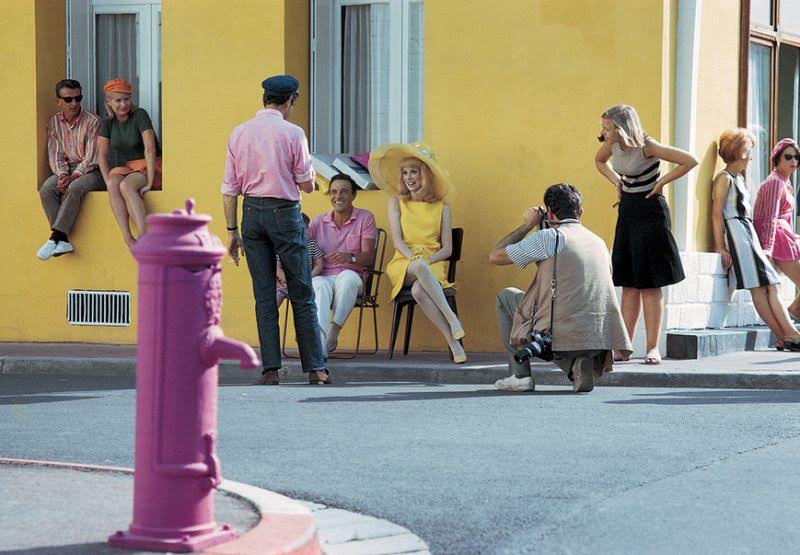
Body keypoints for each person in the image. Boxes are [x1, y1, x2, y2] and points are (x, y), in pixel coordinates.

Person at [222, 74, 329, 386]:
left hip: (251, 214)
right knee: (302, 291)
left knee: (264, 294)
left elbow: (229, 189)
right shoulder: (294, 133)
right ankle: (316, 369)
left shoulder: (239, 132)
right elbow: (306, 185)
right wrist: (309, 178)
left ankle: (270, 369)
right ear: (290, 101)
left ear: (264, 99)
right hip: (284, 213)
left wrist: (232, 230)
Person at [488, 183, 632, 392]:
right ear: (580, 212)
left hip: (560, 328)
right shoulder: (598, 242)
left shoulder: (550, 237)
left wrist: (528, 225)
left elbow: (495, 256)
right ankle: (575, 368)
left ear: (549, 213)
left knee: (506, 297)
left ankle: (520, 375)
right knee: (553, 316)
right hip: (596, 332)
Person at [595, 104, 697, 365]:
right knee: (629, 284)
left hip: (651, 210)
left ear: (621, 128)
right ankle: (624, 347)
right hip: (628, 211)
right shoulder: (612, 144)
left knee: (650, 284)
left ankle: (653, 348)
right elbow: (599, 161)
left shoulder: (647, 146)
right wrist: (616, 181)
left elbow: (690, 160)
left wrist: (661, 182)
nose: (603, 132)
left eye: (607, 128)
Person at [369, 142, 466, 363]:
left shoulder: (443, 206)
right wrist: (415, 258)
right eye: (404, 173)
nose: (408, 178)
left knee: (419, 291)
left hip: (432, 263)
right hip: (403, 262)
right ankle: (452, 318)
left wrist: (427, 260)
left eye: (413, 172)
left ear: (425, 175)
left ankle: (453, 343)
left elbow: (448, 249)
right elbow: (397, 241)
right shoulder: (396, 202)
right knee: (419, 267)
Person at [711, 128, 800, 351]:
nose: (751, 156)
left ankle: (785, 335)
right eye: (749, 151)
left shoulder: (739, 178)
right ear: (740, 152)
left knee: (770, 285)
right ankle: (788, 334)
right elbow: (716, 214)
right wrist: (721, 247)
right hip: (738, 236)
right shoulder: (724, 178)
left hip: (747, 234)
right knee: (759, 288)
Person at [308, 174, 377, 354]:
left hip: (353, 278)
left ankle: (334, 330)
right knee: (318, 284)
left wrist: (350, 258)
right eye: (334, 192)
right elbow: (304, 252)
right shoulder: (317, 222)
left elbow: (369, 257)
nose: (338, 196)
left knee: (346, 277)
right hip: (324, 276)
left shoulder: (365, 218)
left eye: (344, 192)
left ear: (354, 195)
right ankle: (319, 346)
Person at [37, 79, 105, 260]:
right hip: (67, 169)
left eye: (78, 98)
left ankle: (55, 237)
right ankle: (63, 240)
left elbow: (92, 157)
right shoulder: (54, 123)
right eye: (68, 99)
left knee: (74, 188)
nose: (74, 103)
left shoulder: (93, 121)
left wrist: (73, 176)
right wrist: (61, 174)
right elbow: (55, 153)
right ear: (58, 101)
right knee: (46, 189)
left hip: (92, 171)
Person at [97, 78, 162, 247]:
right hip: (130, 167)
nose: (123, 104)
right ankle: (127, 237)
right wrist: (108, 183)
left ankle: (144, 236)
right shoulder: (107, 122)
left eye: (126, 99)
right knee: (113, 184)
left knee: (126, 185)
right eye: (118, 100)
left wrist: (149, 182)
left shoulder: (140, 114)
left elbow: (150, 149)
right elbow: (102, 156)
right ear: (109, 102)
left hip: (151, 164)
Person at [753, 138, 800, 320]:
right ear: (777, 158)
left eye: (797, 157)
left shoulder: (785, 182)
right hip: (778, 240)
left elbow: (786, 217)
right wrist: (767, 248)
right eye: (788, 157)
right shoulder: (774, 182)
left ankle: (794, 310)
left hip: (786, 237)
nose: (794, 161)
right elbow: (770, 217)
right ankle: (794, 312)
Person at [277, 212, 325, 308]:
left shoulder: (312, 244)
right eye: (302, 229)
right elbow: (276, 267)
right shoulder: (284, 246)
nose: (306, 231)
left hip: (305, 284)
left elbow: (319, 265)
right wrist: (287, 280)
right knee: (273, 299)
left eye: (307, 227)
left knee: (308, 302)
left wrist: (308, 278)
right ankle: (269, 317)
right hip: (286, 284)